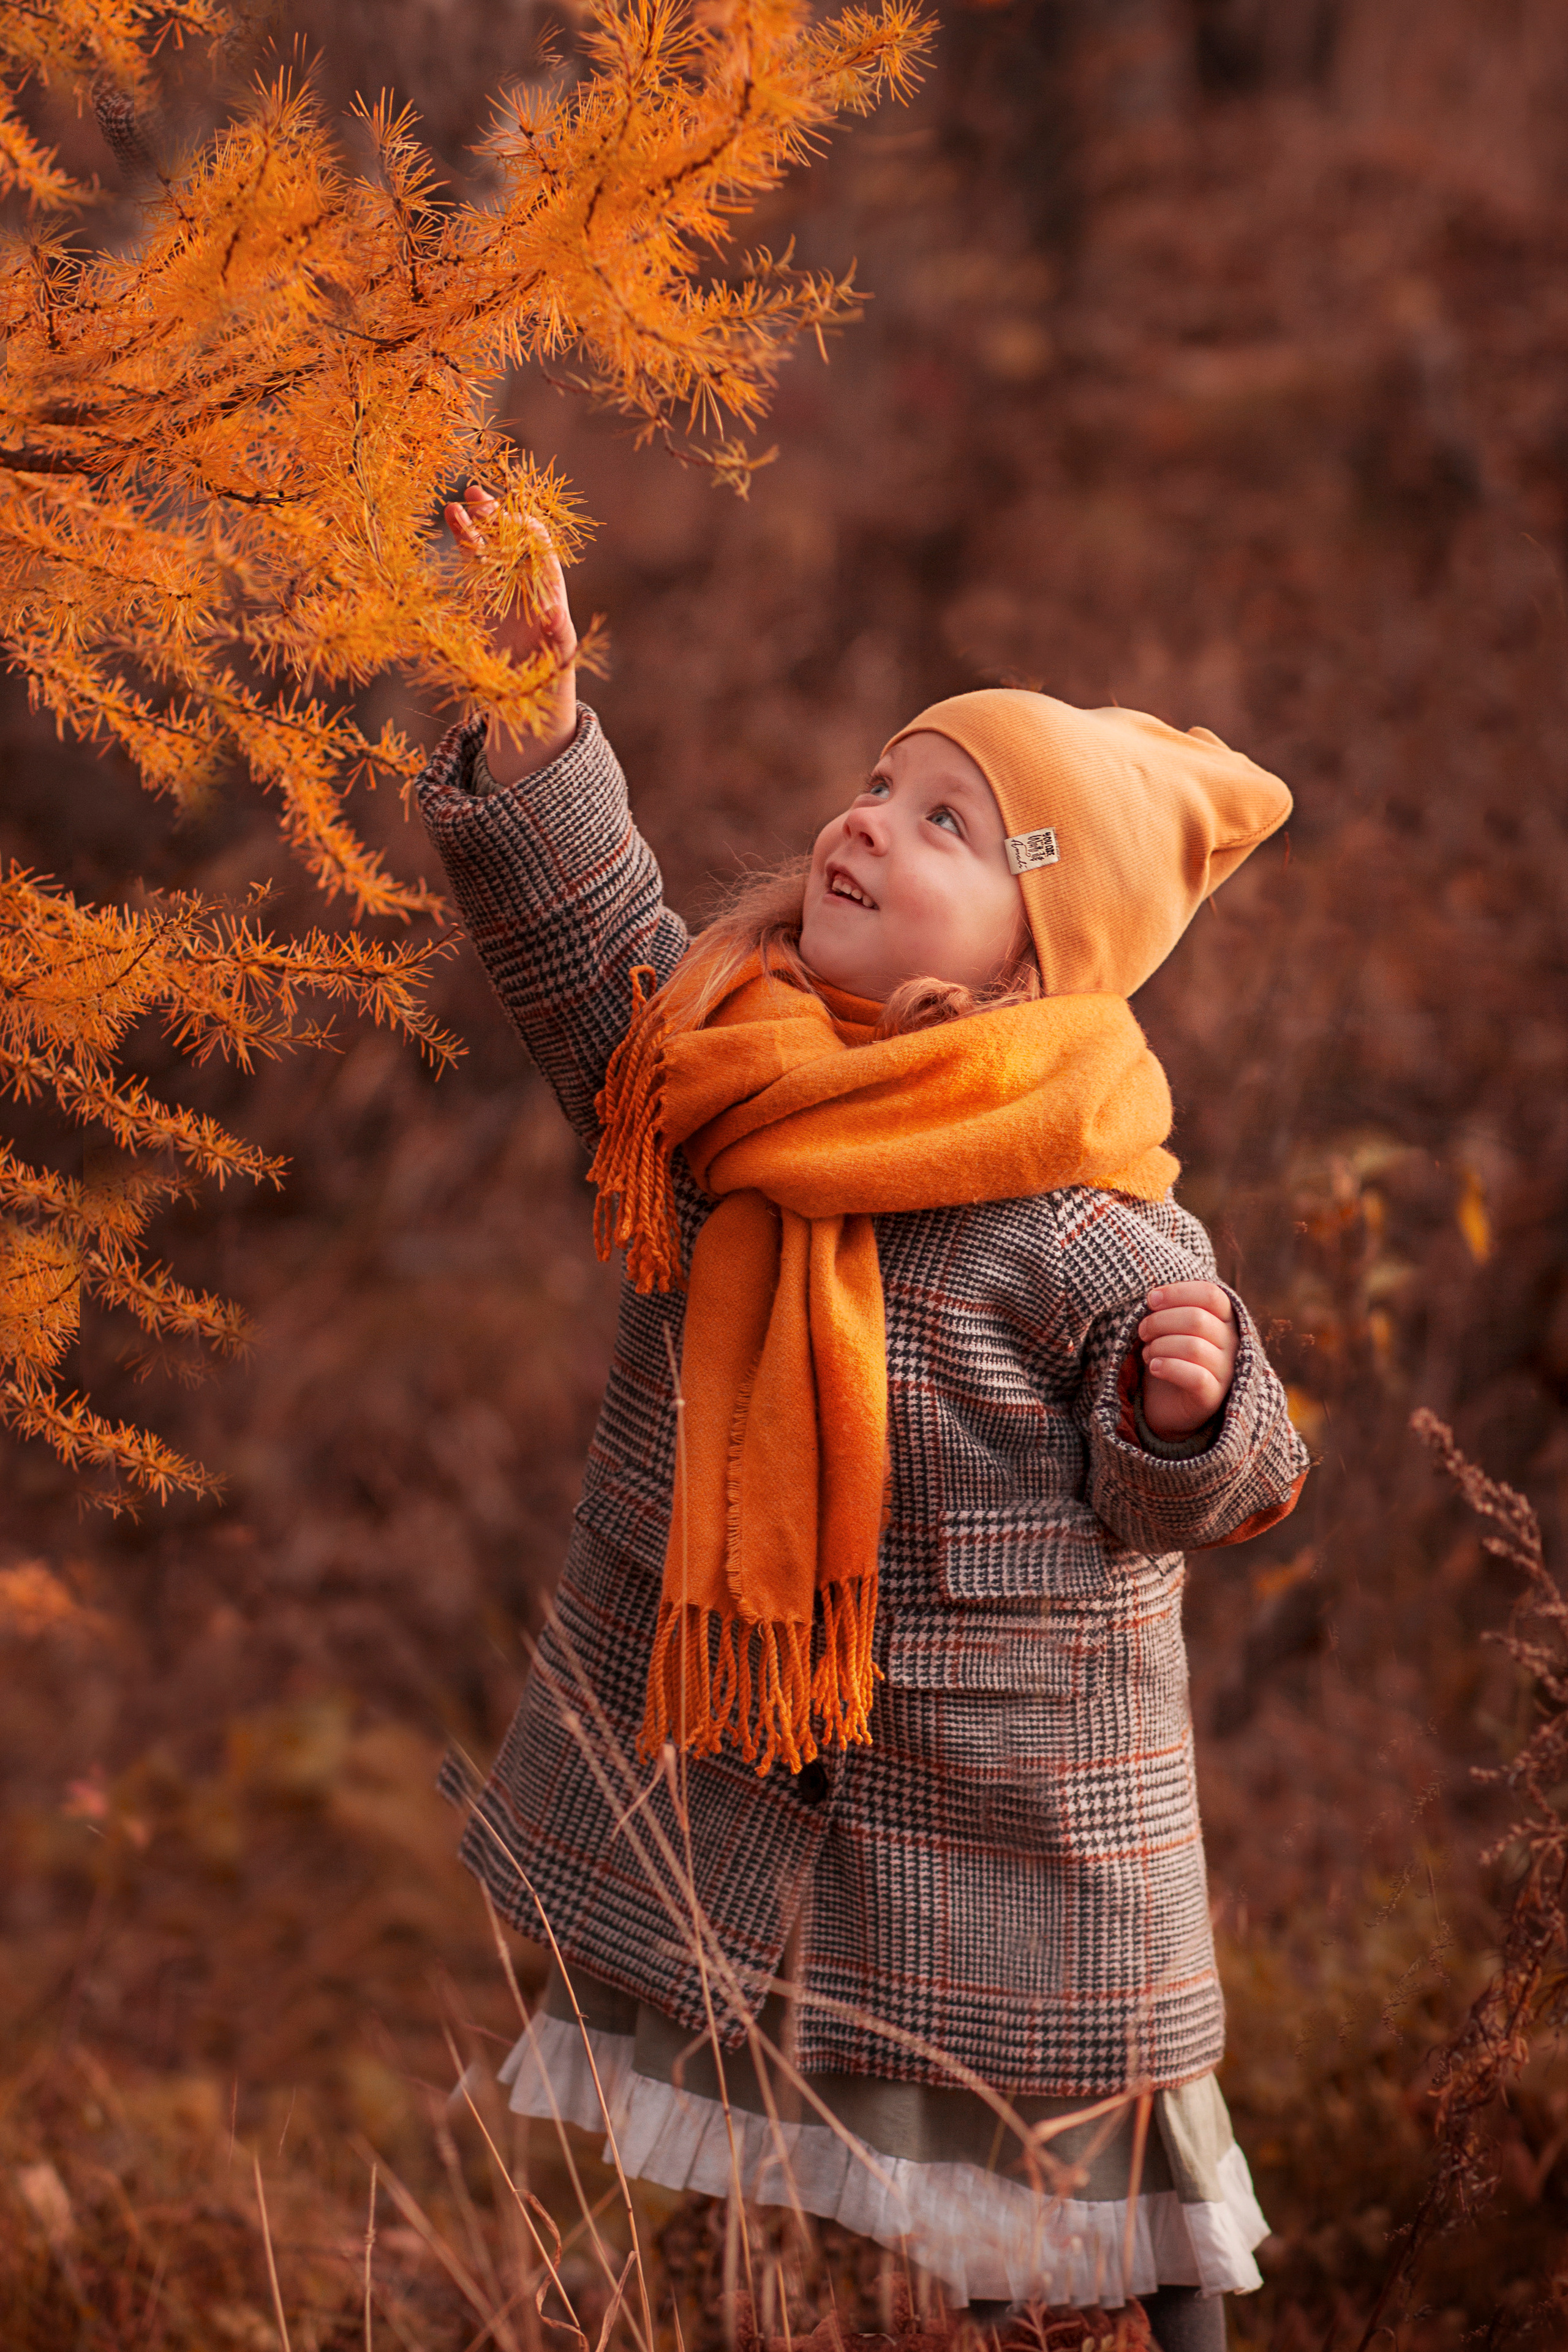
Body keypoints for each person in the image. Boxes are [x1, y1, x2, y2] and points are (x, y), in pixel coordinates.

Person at [419, 485, 1311, 2350]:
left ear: (1030, 957)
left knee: (1110, 2213)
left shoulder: (1085, 1209)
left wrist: (1192, 1406)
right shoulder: (723, 1076)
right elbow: (590, 941)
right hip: (788, 1783)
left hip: (1028, 1812)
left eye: (950, 824)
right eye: (883, 785)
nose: (870, 822)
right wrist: (534, 711)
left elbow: (1233, 1478)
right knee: (861, 2183)